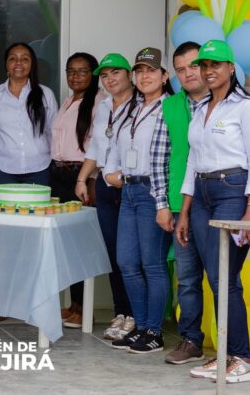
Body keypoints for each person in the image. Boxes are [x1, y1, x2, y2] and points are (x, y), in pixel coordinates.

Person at [175, 40, 250, 383]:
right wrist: (184, 211)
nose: (208, 71)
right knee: (214, 279)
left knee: (224, 278)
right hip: (200, 195)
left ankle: (242, 358)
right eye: (204, 65)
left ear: (232, 69)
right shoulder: (200, 110)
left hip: (233, 192)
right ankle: (226, 354)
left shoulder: (247, 108)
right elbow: (191, 163)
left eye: (217, 65)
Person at [104, 47, 174, 354]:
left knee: (153, 265)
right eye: (140, 71)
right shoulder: (130, 109)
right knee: (127, 263)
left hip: (152, 192)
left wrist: (164, 201)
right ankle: (141, 327)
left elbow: (177, 156)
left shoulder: (171, 108)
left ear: (164, 76)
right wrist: (113, 173)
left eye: (151, 71)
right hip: (128, 191)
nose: (145, 76)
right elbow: (114, 149)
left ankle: (154, 332)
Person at [154, 41, 210, 365]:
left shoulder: (229, 102)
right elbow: (160, 159)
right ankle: (191, 339)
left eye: (193, 65)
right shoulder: (170, 106)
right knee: (187, 276)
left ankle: (233, 343)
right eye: (180, 69)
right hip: (181, 205)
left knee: (221, 277)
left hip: (221, 202)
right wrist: (162, 204)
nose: (188, 73)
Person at [74, 53, 134, 341]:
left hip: (129, 187)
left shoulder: (141, 105)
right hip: (104, 186)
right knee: (112, 253)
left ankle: (136, 314)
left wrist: (124, 176)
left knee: (130, 255)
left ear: (129, 74)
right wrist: (82, 178)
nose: (110, 80)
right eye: (105, 76)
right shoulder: (103, 106)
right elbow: (96, 149)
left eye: (115, 74)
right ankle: (120, 312)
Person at [49, 52, 104, 329]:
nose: (76, 76)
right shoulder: (70, 100)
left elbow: (98, 145)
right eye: (71, 71)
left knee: (80, 245)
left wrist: (90, 178)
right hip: (59, 174)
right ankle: (74, 306)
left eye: (83, 71)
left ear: (94, 74)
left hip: (80, 176)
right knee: (66, 245)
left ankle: (85, 309)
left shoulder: (99, 102)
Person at [0, 42, 58, 186]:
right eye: (13, 58)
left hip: (39, 168)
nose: (18, 63)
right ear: (6, 64)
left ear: (32, 64)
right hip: (3, 168)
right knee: (4, 209)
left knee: (38, 209)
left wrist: (51, 158)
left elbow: (52, 132)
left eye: (24, 59)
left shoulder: (45, 94)